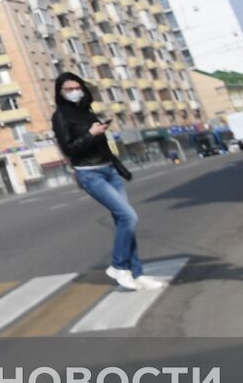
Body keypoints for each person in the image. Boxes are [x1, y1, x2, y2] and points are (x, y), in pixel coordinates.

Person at [51, 72, 164, 292]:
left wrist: (120, 168)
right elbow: (69, 149)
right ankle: (118, 266)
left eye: (77, 87)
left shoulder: (87, 111)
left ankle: (137, 274)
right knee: (128, 216)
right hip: (90, 173)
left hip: (109, 170)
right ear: (61, 92)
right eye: (69, 89)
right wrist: (91, 134)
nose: (74, 92)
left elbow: (103, 147)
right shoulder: (61, 116)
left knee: (125, 223)